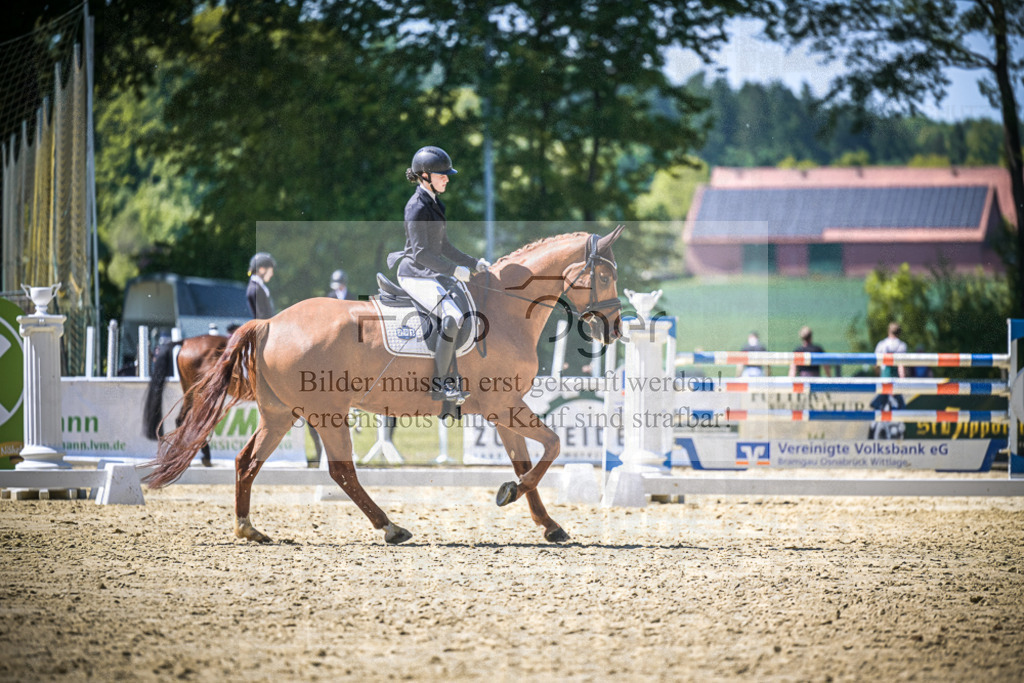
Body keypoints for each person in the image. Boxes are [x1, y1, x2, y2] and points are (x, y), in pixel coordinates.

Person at [386, 145, 490, 404]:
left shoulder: (435, 203)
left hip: (429, 272)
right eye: (441, 174)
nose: (447, 178)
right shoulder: (416, 208)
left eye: (447, 174)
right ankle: (439, 385)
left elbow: (443, 246)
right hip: (414, 273)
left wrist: (474, 263)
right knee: (453, 316)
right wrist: (454, 270)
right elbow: (420, 253)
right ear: (424, 176)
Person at [246, 252, 276, 320]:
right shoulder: (255, 289)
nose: (272, 274)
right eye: (271, 271)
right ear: (262, 269)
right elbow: (261, 317)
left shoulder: (259, 287)